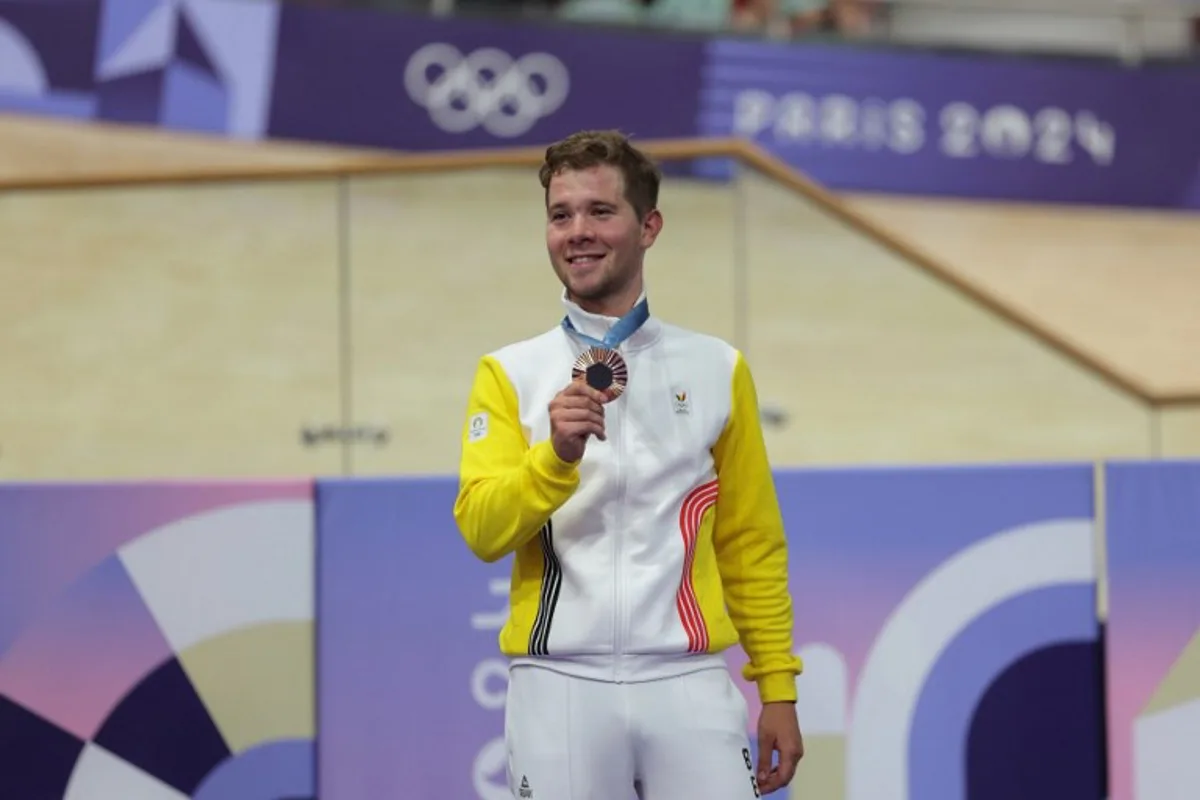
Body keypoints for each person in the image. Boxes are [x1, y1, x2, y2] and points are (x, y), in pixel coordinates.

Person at [453, 129, 804, 799]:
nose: (577, 232)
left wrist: (777, 686)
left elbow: (750, 542)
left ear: (650, 226)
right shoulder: (509, 373)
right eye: (561, 216)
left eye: (600, 212)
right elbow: (482, 530)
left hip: (689, 682)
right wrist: (552, 460)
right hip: (559, 686)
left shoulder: (717, 368)